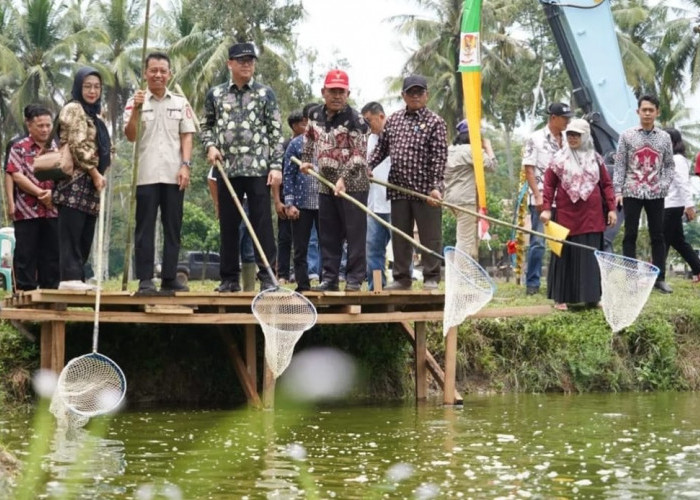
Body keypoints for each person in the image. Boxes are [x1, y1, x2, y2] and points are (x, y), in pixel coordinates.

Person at [200, 42, 284, 293]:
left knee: (262, 224)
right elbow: (206, 126)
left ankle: (268, 276)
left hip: (258, 168)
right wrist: (210, 146)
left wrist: (276, 166)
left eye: (250, 60)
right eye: (241, 60)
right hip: (227, 170)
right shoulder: (215, 94)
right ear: (230, 64)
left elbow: (276, 131)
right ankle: (228, 279)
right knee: (228, 224)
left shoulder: (265, 93)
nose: (247, 64)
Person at [124, 52, 196, 295]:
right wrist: (136, 108)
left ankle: (169, 277)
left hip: (174, 174)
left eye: (162, 71)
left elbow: (187, 134)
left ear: (169, 74)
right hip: (146, 175)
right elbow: (131, 135)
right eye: (153, 70)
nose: (157, 75)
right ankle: (145, 279)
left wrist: (186, 165)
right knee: (144, 229)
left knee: (173, 228)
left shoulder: (180, 103)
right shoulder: (135, 101)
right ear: (145, 73)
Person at [368, 75, 447, 290]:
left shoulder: (435, 122)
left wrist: (436, 188)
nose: (415, 96)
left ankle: (431, 276)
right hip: (399, 190)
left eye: (419, 92)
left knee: (430, 237)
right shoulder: (393, 120)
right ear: (403, 95)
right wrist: (368, 166)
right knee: (400, 236)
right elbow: (381, 150)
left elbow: (439, 158)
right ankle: (402, 278)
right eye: (410, 92)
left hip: (425, 192)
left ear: (426, 95)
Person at [300, 69, 370, 292]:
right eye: (333, 91)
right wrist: (306, 160)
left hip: (353, 183)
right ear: (324, 92)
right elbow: (309, 138)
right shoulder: (315, 115)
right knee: (328, 234)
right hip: (325, 182)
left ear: (348, 93)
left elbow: (359, 154)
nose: (337, 96)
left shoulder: (357, 120)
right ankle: (329, 278)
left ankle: (354, 279)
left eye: (341, 91)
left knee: (354, 233)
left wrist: (344, 179)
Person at [540, 118, 616, 310]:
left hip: (591, 215)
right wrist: (547, 208)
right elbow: (549, 184)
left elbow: (606, 184)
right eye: (570, 134)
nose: (572, 138)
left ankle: (592, 297)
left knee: (590, 255)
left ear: (586, 136)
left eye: (577, 135)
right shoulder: (558, 159)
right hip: (566, 214)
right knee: (565, 255)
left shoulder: (596, 159)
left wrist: (612, 209)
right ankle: (561, 299)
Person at [54, 66, 110, 291]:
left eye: (97, 87)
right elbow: (78, 144)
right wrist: (95, 172)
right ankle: (69, 278)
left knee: (85, 232)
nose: (92, 91)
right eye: (87, 86)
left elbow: (103, 146)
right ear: (78, 87)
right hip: (74, 181)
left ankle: (77, 278)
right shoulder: (74, 108)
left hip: (91, 184)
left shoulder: (94, 114)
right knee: (72, 231)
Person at [614, 94, 675, 293]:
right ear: (638, 112)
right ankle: (630, 278)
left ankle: (659, 278)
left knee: (657, 235)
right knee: (629, 234)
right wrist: (618, 190)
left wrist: (663, 186)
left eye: (651, 110)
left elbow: (668, 166)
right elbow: (620, 164)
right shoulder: (627, 135)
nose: (647, 113)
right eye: (644, 110)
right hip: (632, 190)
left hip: (656, 193)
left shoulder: (665, 138)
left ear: (657, 112)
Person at [5, 105, 59, 290]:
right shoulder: (19, 147)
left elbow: (67, 173)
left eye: (48, 125)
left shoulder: (57, 147)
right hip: (26, 210)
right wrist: (38, 193)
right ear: (29, 125)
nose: (45, 129)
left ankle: (50, 291)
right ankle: (25, 291)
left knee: (51, 253)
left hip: (53, 209)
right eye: (40, 125)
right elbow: (15, 174)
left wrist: (51, 194)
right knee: (26, 253)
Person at [522, 102, 572, 295]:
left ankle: (558, 283)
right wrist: (537, 195)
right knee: (538, 241)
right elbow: (528, 168)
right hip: (542, 197)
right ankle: (532, 284)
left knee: (561, 242)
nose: (567, 121)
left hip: (564, 199)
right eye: (564, 118)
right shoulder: (535, 138)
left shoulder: (569, 139)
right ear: (553, 118)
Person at [444, 119, 497, 258]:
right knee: (465, 240)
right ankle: (460, 275)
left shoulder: (450, 149)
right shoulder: (472, 151)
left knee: (466, 237)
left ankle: (465, 272)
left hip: (450, 198)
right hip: (466, 200)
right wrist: (488, 147)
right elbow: (492, 166)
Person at [283, 103, 319, 293]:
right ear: (305, 121)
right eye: (311, 120)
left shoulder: (330, 143)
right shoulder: (296, 144)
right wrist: (289, 203)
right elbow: (288, 175)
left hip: (325, 203)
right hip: (301, 205)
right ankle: (303, 284)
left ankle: (328, 281)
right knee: (300, 247)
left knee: (329, 245)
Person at [662, 128, 700, 281]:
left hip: (672, 205)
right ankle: (698, 268)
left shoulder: (677, 160)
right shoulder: (670, 159)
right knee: (678, 241)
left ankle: (656, 275)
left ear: (673, 142)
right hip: (669, 204)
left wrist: (689, 206)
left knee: (661, 240)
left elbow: (683, 184)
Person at [361, 101, 391, 291]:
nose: (367, 126)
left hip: (396, 203)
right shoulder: (366, 141)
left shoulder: (396, 136)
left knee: (403, 249)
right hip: (373, 204)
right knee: (373, 248)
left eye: (369, 121)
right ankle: (376, 287)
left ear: (381, 117)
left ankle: (402, 285)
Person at [273, 110, 305, 284]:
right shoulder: (284, 146)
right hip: (287, 198)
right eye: (303, 124)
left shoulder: (313, 143)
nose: (306, 127)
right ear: (294, 126)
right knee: (285, 237)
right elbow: (276, 176)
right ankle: (283, 274)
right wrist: (278, 201)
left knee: (307, 240)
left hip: (307, 200)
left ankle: (307, 273)